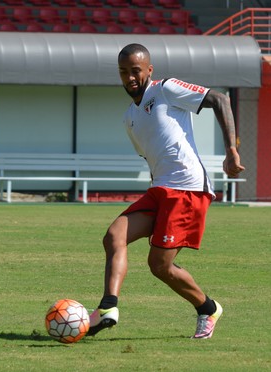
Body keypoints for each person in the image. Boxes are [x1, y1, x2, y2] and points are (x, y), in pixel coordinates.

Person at [86, 43, 245, 339]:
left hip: (187, 189)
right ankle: (108, 307)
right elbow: (152, 157)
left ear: (149, 70)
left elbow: (220, 99)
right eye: (124, 72)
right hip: (160, 190)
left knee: (159, 266)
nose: (130, 77)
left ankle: (208, 308)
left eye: (136, 70)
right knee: (113, 236)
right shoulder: (129, 118)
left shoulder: (167, 89)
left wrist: (231, 151)